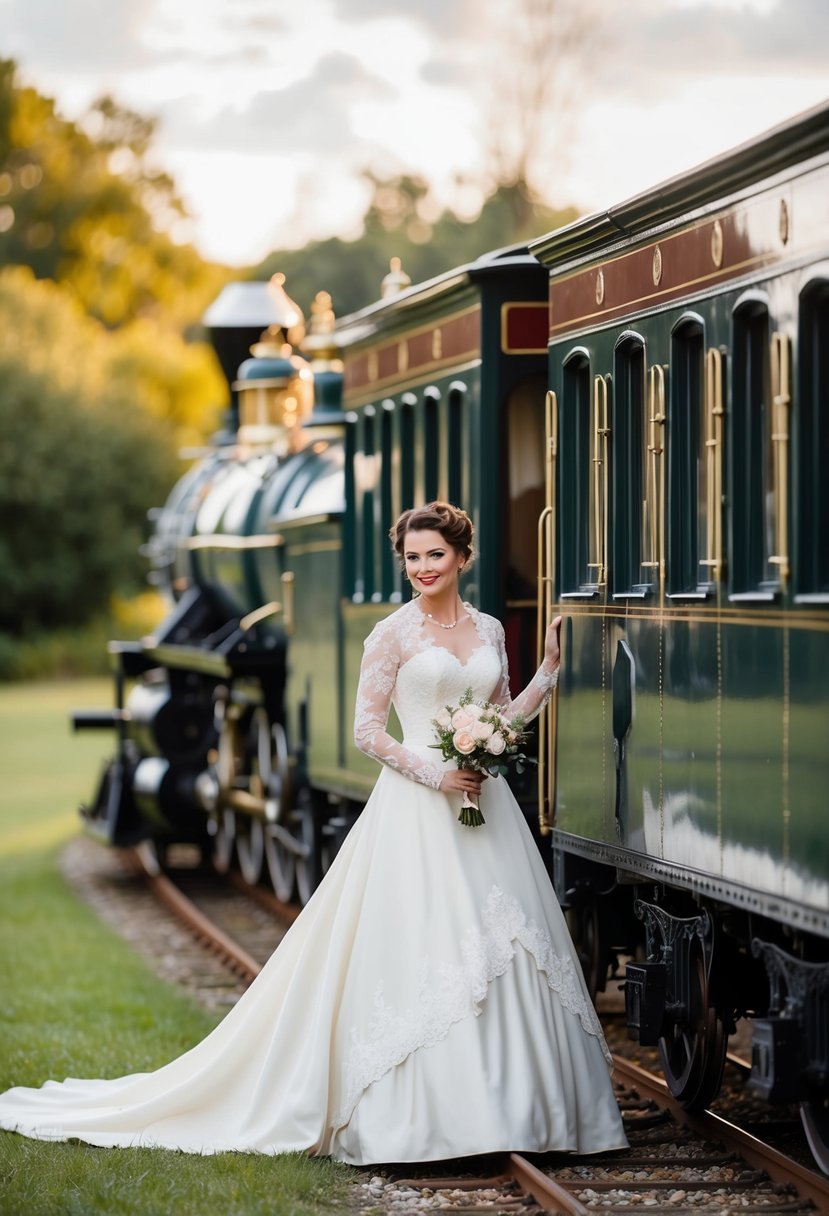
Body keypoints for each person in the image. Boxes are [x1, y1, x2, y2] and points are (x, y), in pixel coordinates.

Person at [0, 501, 626, 1164]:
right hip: (417, 807)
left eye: (434, 556)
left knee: (504, 945)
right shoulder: (390, 634)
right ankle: (424, 1118)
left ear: (462, 558)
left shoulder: (491, 631)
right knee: (428, 944)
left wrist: (547, 673)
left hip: (483, 806)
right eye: (411, 557)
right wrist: (435, 774)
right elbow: (367, 733)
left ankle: (519, 1111)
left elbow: (499, 717)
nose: (421, 568)